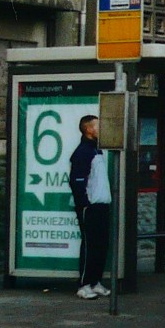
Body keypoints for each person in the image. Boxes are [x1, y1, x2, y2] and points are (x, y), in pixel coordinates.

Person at [68, 114, 112, 300]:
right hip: (90, 207)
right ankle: (84, 285)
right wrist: (84, 203)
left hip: (101, 204)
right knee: (90, 245)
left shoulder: (97, 150)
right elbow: (77, 180)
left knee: (101, 245)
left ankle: (95, 282)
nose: (101, 129)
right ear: (88, 129)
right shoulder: (83, 152)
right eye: (97, 126)